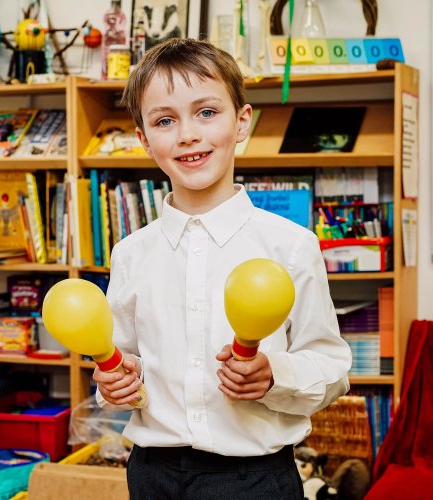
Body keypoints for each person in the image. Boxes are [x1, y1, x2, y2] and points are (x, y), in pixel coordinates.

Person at [93, 37, 352, 499]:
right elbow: (121, 361)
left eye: (207, 112)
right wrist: (114, 382)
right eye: (165, 120)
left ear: (242, 122)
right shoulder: (130, 254)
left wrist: (274, 374)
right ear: (144, 139)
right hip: (152, 475)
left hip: (255, 479)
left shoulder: (291, 246)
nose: (187, 134)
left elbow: (331, 368)